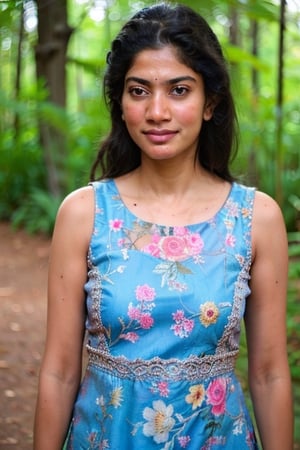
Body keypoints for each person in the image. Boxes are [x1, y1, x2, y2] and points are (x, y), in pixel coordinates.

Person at [34, 3, 294, 449]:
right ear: (120, 102)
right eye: (139, 91)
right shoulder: (85, 213)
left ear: (210, 102)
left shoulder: (256, 219)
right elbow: (58, 370)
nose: (157, 111)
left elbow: (270, 374)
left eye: (178, 90)